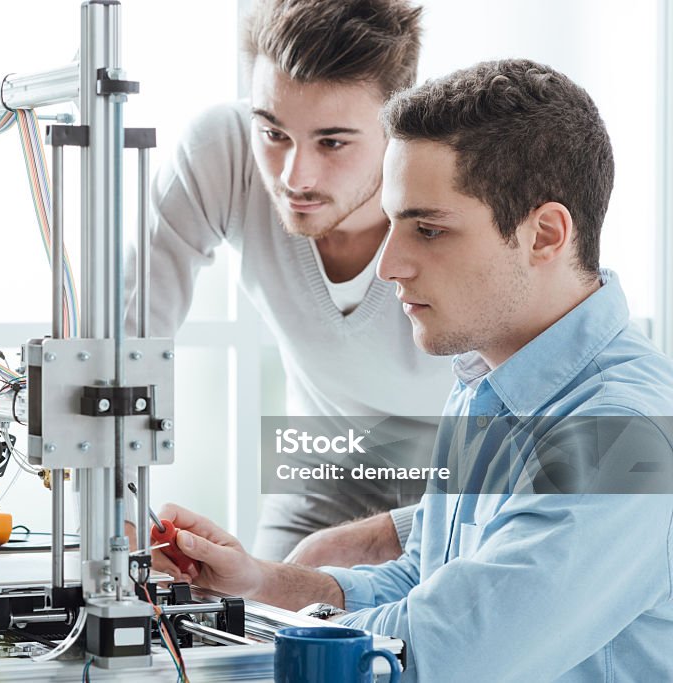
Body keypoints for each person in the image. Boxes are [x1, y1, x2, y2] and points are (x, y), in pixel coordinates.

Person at [150, 59, 673, 681]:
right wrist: (261, 582)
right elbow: (424, 578)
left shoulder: (620, 433)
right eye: (394, 223)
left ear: (545, 235)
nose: (388, 264)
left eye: (428, 229)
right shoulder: (488, 380)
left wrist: (251, 628)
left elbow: (438, 652)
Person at [124, 0, 456, 563]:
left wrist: (361, 543)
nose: (293, 176)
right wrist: (121, 511)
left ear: (399, 123)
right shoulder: (222, 152)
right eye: (273, 132)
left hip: (466, 472)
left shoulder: (457, 189)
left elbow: (558, 436)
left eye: (332, 142)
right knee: (267, 630)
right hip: (323, 467)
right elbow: (124, 335)